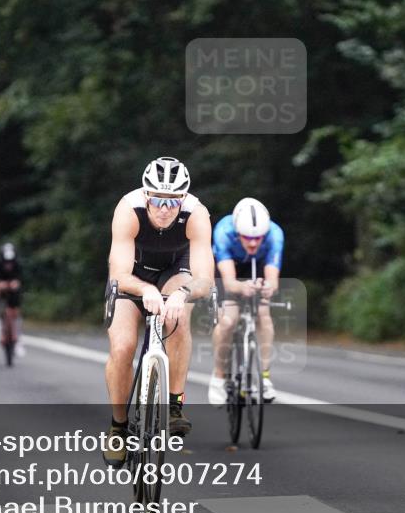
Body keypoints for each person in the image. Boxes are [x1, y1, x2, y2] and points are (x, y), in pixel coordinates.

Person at [103, 156, 214, 467]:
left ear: (183, 198)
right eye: (157, 200)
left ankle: (175, 405)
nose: (164, 209)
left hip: (175, 270)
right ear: (146, 195)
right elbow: (120, 275)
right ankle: (118, 425)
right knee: (123, 346)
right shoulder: (129, 209)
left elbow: (204, 278)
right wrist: (146, 290)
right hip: (133, 273)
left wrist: (182, 294)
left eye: (172, 201)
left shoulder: (196, 213)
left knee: (177, 316)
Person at [207, 198, 284, 405]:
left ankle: (265, 378)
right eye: (247, 237)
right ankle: (219, 376)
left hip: (257, 266)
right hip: (229, 268)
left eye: (258, 238)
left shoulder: (275, 235)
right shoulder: (224, 231)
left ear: (265, 234)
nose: (252, 242)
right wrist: (242, 288)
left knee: (263, 313)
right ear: (237, 232)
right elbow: (230, 283)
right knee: (228, 321)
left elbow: (273, 280)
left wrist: (268, 288)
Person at [0, 242, 25, 358]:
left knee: (15, 311)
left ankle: (18, 340)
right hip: (2, 289)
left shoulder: (17, 264)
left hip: (13, 290)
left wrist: (16, 283)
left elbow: (20, 277)